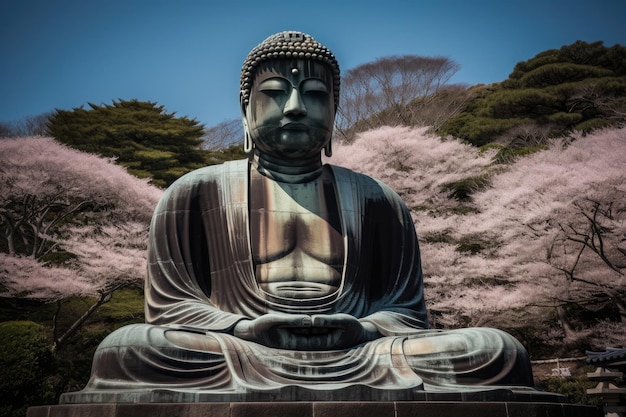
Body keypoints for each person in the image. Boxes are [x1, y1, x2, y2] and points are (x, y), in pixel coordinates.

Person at [62, 31, 535, 403]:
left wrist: (365, 328)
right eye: (275, 93)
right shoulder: (195, 192)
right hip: (239, 351)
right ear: (245, 110)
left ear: (332, 111)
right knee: (130, 349)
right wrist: (243, 328)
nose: (294, 107)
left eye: (313, 94)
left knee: (493, 349)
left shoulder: (379, 199)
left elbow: (407, 313)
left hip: (361, 354)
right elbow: (170, 309)